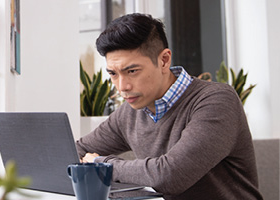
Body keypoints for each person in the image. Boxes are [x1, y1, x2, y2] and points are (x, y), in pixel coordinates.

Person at [76, 13, 263, 200]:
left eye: (132, 71)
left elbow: (171, 175)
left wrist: (103, 165)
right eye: (113, 74)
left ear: (164, 60)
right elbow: (77, 150)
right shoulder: (130, 112)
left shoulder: (216, 101)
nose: (122, 86)